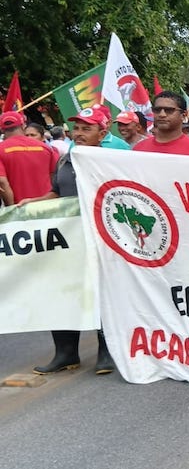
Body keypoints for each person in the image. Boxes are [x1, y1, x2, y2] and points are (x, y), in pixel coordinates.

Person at [20, 106, 116, 375]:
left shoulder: (109, 161)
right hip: (68, 241)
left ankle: (107, 352)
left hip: (99, 240)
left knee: (101, 293)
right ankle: (65, 353)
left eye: (87, 128)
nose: (79, 133)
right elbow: (56, 193)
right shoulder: (66, 160)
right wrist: (33, 203)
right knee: (61, 292)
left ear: (103, 132)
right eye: (77, 128)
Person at [0, 110, 58, 206]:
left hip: (21, 208)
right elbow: (54, 176)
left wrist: (11, 208)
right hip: (48, 205)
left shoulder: (1, 149)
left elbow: (2, 182)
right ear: (23, 126)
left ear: (2, 129)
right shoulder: (45, 147)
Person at [133, 91, 189, 155]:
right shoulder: (139, 149)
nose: (162, 114)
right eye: (157, 110)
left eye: (169, 110)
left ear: (183, 115)